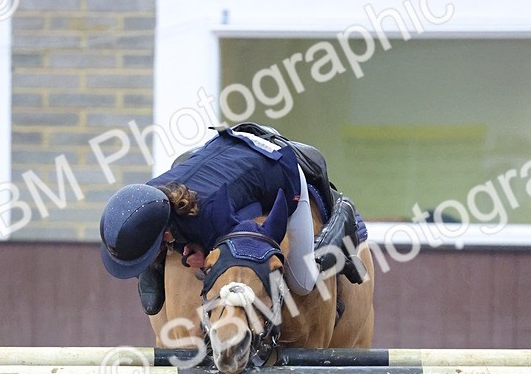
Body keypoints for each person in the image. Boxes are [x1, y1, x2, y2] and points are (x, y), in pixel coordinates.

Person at [99, 123, 365, 314]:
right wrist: (185, 246)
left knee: (304, 283)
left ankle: (341, 222)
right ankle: (153, 265)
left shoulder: (213, 215)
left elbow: (254, 242)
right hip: (228, 149)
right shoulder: (149, 194)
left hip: (279, 169)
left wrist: (211, 257)